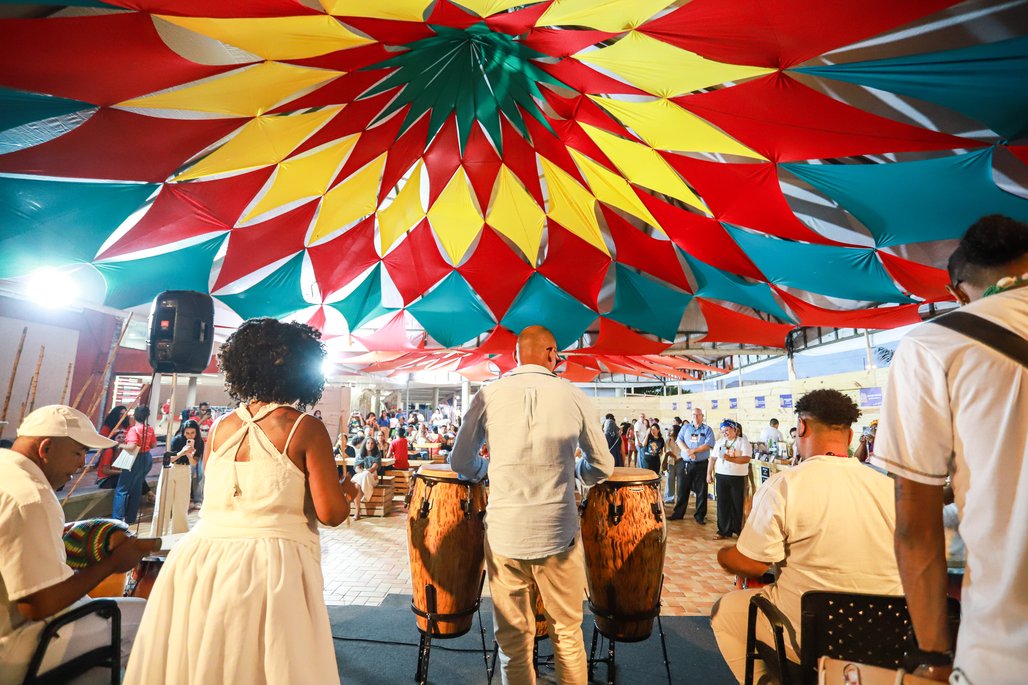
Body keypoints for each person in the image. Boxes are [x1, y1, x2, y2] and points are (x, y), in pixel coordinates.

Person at [124, 318, 357, 684]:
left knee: (207, 661)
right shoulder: (304, 427)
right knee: (262, 664)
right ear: (301, 369)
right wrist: (349, 491)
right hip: (268, 564)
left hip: (202, 556)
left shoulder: (220, 425)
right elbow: (330, 513)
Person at [872, 215, 1028, 684]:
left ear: (958, 290)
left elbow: (915, 524)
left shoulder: (935, 345)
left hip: (1006, 648)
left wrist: (934, 655)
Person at [450, 325, 614, 685]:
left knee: (512, 641)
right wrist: (578, 474)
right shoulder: (574, 395)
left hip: (505, 534)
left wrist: (486, 470)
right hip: (559, 534)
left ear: (515, 355)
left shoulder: (488, 394)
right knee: (568, 635)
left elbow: (460, 462)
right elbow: (603, 465)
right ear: (553, 354)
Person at [711, 389, 902, 683]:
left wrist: (724, 555)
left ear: (801, 427)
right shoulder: (889, 489)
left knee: (724, 611)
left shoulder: (785, 484)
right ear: (850, 437)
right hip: (885, 643)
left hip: (811, 641)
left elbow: (752, 565)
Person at [0, 405, 152, 684]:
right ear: (45, 448)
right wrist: (113, 564)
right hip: (10, 648)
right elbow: (37, 605)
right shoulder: (31, 496)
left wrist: (56, 534)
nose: (82, 464)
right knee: (143, 616)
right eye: (78, 452)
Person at [707, 419, 751, 541]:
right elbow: (713, 459)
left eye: (727, 430)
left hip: (738, 477)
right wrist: (708, 473)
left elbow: (746, 459)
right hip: (721, 476)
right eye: (722, 431)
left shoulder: (743, 442)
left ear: (734, 430)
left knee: (737, 504)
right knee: (722, 504)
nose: (725, 433)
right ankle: (723, 530)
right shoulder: (720, 442)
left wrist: (729, 459)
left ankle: (739, 529)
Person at [669, 408, 715, 523]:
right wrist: (688, 451)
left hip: (701, 464)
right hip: (685, 464)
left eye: (698, 414)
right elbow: (679, 441)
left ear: (702, 416)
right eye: (693, 414)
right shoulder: (685, 428)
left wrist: (693, 451)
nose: (695, 416)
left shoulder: (707, 429)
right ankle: (678, 513)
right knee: (682, 489)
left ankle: (700, 516)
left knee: (701, 490)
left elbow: (708, 444)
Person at [112, 406, 156, 524]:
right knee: (136, 488)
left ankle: (117, 519)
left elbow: (132, 447)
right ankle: (131, 518)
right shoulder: (149, 429)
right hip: (147, 458)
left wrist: (120, 445)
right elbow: (153, 445)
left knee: (122, 489)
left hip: (134, 458)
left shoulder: (134, 430)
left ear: (134, 416)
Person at [163, 419, 204, 532]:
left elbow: (194, 463)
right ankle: (161, 531)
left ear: (197, 432)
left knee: (182, 503)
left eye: (192, 433)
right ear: (183, 432)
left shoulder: (199, 442)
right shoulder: (176, 440)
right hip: (171, 468)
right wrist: (182, 452)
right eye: (187, 433)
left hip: (185, 469)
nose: (189, 436)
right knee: (165, 503)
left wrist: (190, 455)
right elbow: (168, 459)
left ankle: (179, 532)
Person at [94, 405, 128, 489]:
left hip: (119, 449)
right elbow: (102, 439)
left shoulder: (125, 425)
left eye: (125, 414)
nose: (123, 416)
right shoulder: (109, 451)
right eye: (121, 414)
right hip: (110, 448)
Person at [351, 437, 382, 520]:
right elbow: (357, 468)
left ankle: (353, 481)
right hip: (362, 477)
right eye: (368, 443)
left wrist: (364, 471)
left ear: (374, 445)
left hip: (372, 478)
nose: (370, 445)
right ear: (365, 444)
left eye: (372, 443)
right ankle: (357, 512)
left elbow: (373, 469)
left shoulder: (377, 455)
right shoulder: (360, 455)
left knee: (366, 473)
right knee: (357, 486)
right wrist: (362, 471)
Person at [663, 423, 681, 504]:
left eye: (672, 429)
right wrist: (674, 456)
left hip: (681, 461)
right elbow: (667, 451)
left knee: (680, 481)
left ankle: (680, 498)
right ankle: (669, 498)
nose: (670, 431)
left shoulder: (681, 439)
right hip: (671, 461)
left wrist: (678, 457)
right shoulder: (668, 439)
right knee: (670, 479)